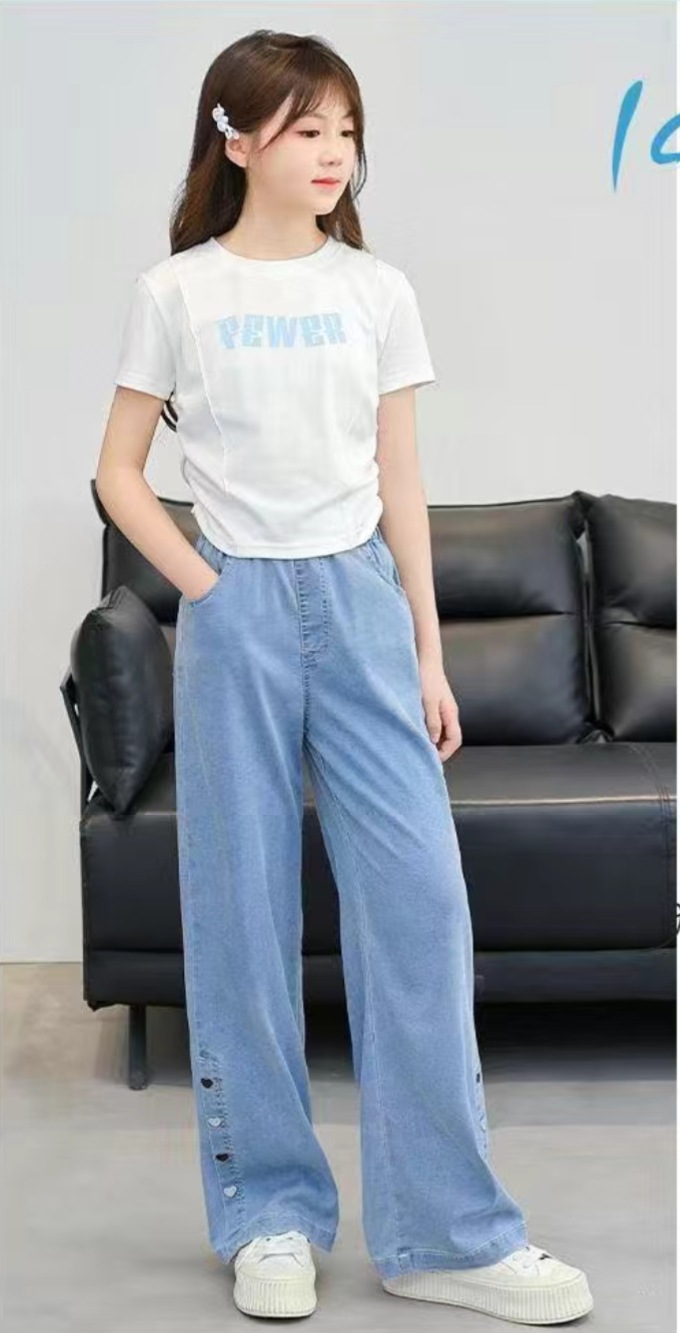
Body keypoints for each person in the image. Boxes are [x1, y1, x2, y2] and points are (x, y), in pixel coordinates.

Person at [96, 28, 593, 1326]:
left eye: (346, 130)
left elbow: (402, 478)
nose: (334, 152)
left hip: (363, 602)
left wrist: (426, 648)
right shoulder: (177, 292)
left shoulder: (376, 289)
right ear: (236, 139)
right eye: (307, 127)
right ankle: (269, 1215)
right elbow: (116, 471)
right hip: (239, 608)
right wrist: (208, 587)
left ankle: (445, 1232)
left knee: (420, 909)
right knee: (242, 917)